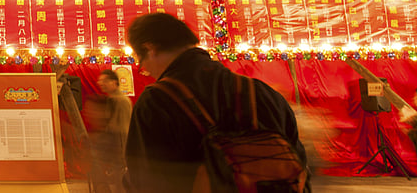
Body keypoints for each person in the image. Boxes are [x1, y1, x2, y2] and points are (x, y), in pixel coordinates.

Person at [124, 13, 307, 192]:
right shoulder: (263, 93)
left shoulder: (156, 101)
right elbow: (298, 165)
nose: (146, 70)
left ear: (150, 48)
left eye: (142, 63)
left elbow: (145, 179)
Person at [87, 69, 131, 193]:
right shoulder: (112, 99)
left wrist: (122, 154)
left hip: (117, 146)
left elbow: (121, 129)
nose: (101, 83)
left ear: (115, 82)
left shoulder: (121, 101)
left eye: (105, 81)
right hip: (112, 145)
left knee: (119, 179)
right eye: (100, 81)